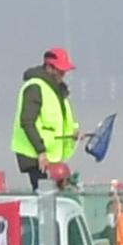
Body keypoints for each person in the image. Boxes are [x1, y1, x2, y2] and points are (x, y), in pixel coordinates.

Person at [12, 46, 81, 186]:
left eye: (64, 71)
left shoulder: (57, 90)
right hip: (36, 157)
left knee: (53, 199)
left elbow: (60, 120)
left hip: (50, 155)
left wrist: (73, 132)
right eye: (60, 70)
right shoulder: (35, 87)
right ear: (49, 67)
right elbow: (27, 122)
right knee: (45, 198)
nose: (63, 74)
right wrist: (41, 152)